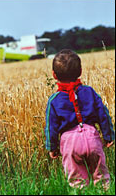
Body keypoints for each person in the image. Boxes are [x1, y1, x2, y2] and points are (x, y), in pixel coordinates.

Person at [44, 49, 114, 188]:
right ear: (80, 71)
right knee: (101, 177)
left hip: (70, 143)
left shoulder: (54, 100)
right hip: (92, 138)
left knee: (77, 181)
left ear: (54, 75)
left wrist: (52, 147)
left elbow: (50, 127)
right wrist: (108, 135)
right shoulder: (89, 92)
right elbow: (103, 114)